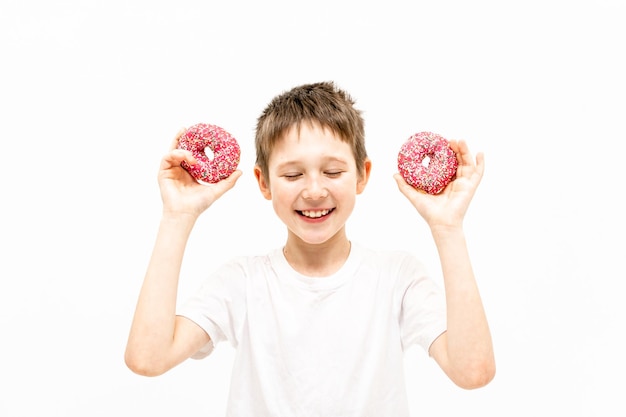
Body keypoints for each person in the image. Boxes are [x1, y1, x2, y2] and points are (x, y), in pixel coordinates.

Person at [125, 81, 495, 416]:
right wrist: (177, 217)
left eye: (333, 172)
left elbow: (472, 372)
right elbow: (148, 358)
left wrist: (447, 228)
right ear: (264, 182)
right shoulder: (243, 282)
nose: (314, 190)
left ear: (362, 174)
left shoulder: (397, 278)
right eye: (292, 174)